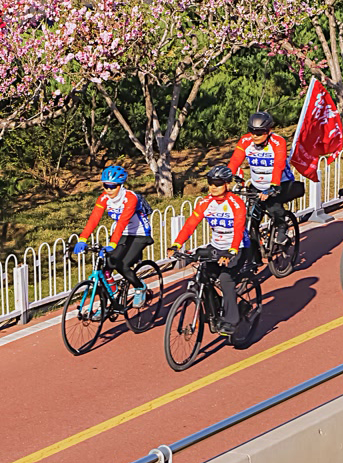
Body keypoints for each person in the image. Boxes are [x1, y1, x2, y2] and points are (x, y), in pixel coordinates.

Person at [172, 164, 251, 331]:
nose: (213, 187)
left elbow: (238, 229)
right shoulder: (205, 202)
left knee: (225, 279)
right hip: (216, 246)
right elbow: (190, 224)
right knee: (203, 277)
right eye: (210, 183)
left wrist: (231, 252)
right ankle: (214, 311)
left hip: (237, 247)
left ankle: (232, 320)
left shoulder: (236, 204)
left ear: (227, 184)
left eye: (218, 184)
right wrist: (177, 244)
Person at [75, 165, 155, 305]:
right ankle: (111, 300)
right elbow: (94, 219)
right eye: (106, 186)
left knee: (122, 265)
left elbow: (122, 222)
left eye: (112, 186)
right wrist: (82, 239)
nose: (109, 190)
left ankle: (140, 287)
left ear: (121, 185)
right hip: (123, 233)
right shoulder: (104, 198)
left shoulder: (130, 198)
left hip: (140, 233)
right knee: (107, 266)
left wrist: (112, 244)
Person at [230, 111, 301, 208]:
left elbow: (279, 165)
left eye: (259, 133)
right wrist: (226, 178)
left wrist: (273, 186)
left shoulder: (278, 142)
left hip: (281, 183)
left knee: (275, 211)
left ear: (269, 131)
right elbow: (235, 161)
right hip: (257, 185)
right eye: (251, 131)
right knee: (250, 213)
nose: (254, 136)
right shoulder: (245, 140)